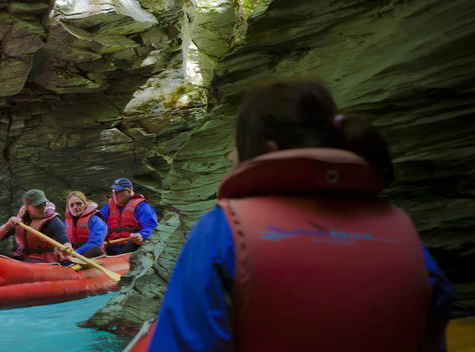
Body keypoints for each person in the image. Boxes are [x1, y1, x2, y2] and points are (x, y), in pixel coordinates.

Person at [148, 79, 452, 351]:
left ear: (269, 147)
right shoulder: (400, 227)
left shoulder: (220, 231)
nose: (231, 156)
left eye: (239, 145)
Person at [0, 189, 73, 263]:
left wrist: (67, 247)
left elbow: (64, 238)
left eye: (44, 204)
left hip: (45, 261)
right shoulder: (19, 219)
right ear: (27, 207)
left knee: (28, 262)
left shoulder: (53, 220)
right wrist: (7, 225)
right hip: (22, 257)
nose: (43, 208)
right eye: (38, 206)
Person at [100, 178, 158, 255]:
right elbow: (98, 221)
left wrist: (142, 236)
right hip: (110, 244)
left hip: (129, 245)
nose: (115, 195)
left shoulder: (142, 207)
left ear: (129, 191)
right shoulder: (109, 206)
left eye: (119, 192)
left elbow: (151, 227)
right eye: (114, 191)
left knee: (131, 244)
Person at [64, 191, 107, 258]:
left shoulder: (96, 220)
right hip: (72, 255)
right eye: (72, 205)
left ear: (85, 204)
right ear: (68, 208)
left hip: (89, 254)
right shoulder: (66, 223)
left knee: (96, 249)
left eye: (78, 204)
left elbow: (95, 243)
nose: (75, 207)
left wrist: (77, 252)